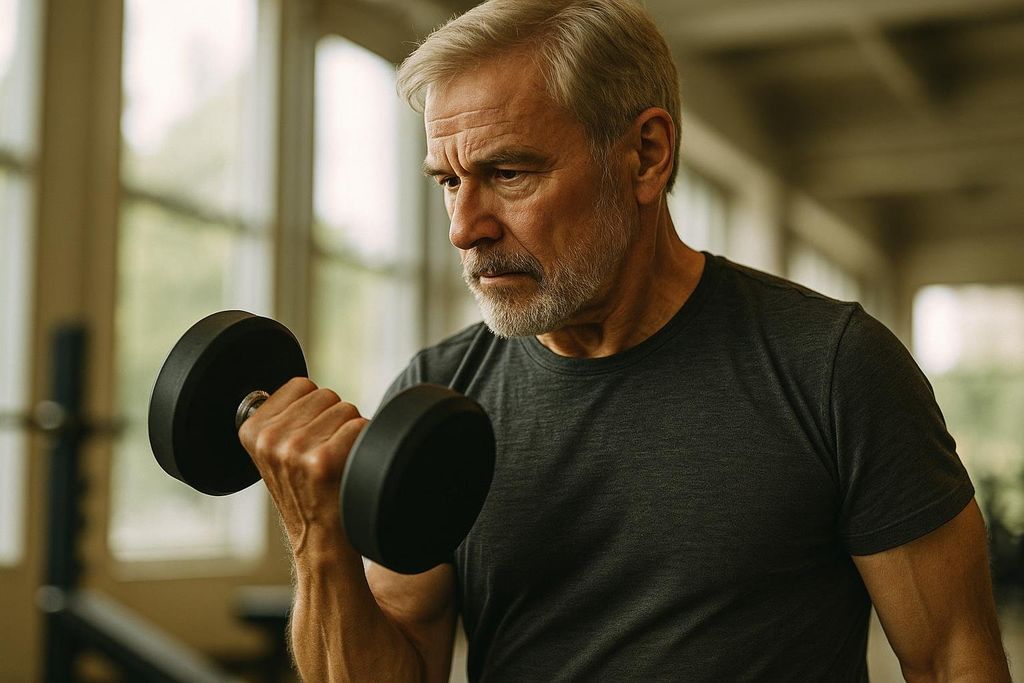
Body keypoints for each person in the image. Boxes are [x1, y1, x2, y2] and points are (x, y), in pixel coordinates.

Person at [238, 0, 1012, 680]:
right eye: (448, 181)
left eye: (508, 173)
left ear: (646, 155)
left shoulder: (832, 367)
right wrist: (318, 536)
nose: (464, 228)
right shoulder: (438, 395)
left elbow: (953, 660)